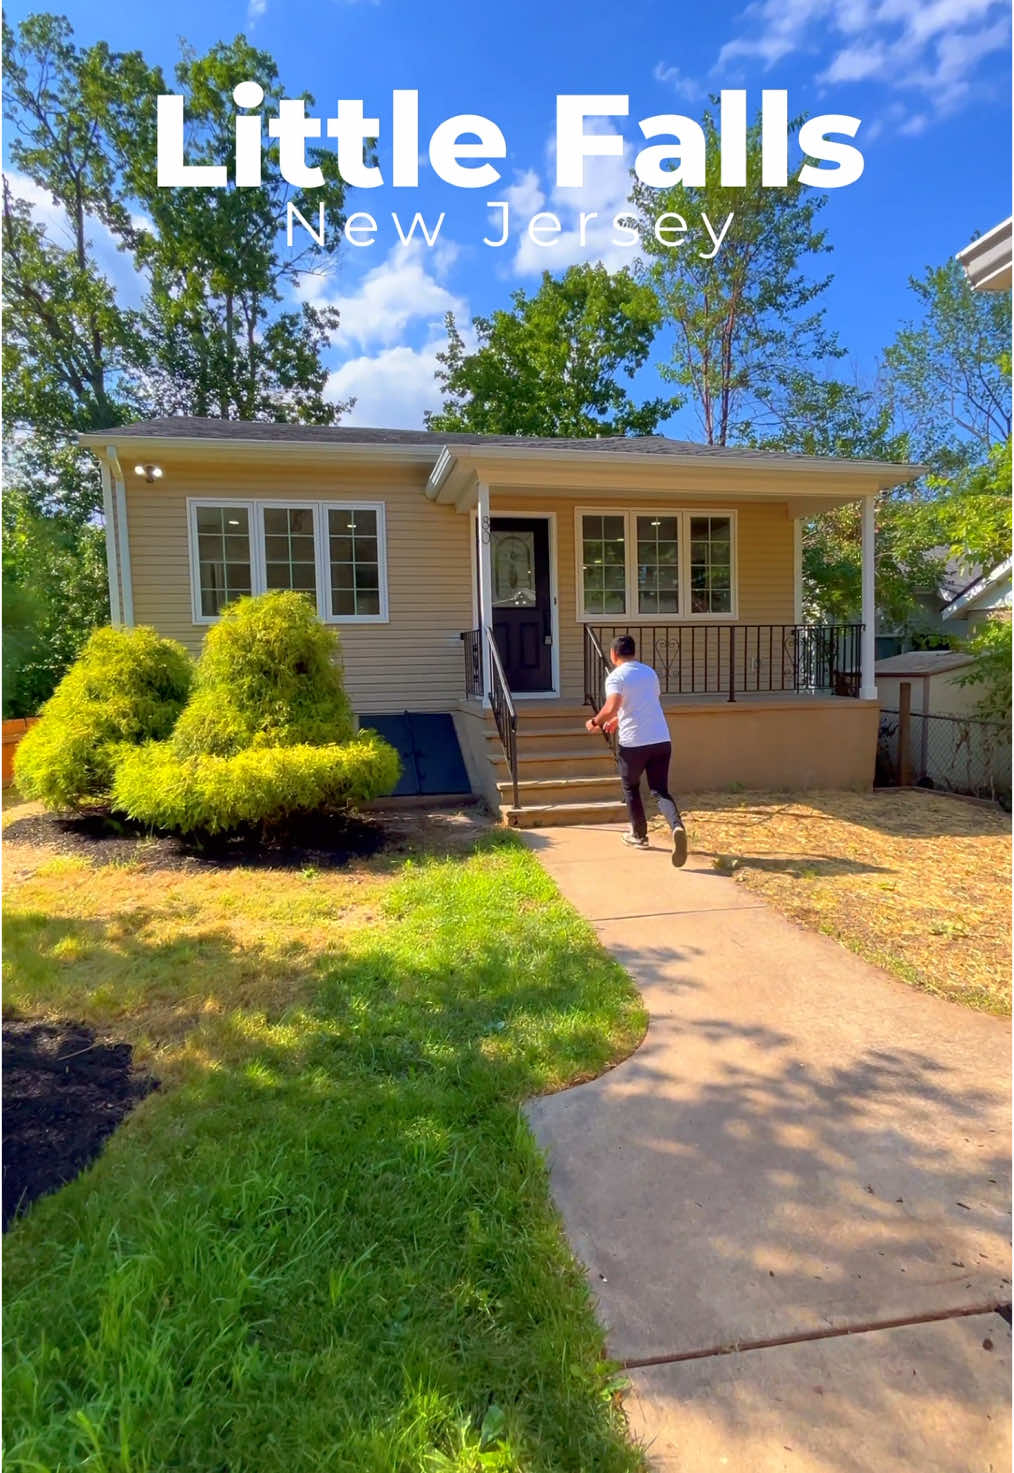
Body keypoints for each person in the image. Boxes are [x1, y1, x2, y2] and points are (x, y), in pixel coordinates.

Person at [585, 634, 688, 866]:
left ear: (613, 655)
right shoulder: (649, 673)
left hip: (634, 744)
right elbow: (642, 704)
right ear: (634, 652)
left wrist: (596, 721)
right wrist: (618, 721)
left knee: (630, 786)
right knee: (660, 790)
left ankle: (639, 835)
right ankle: (677, 826)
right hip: (661, 739)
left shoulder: (616, 676)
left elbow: (612, 705)